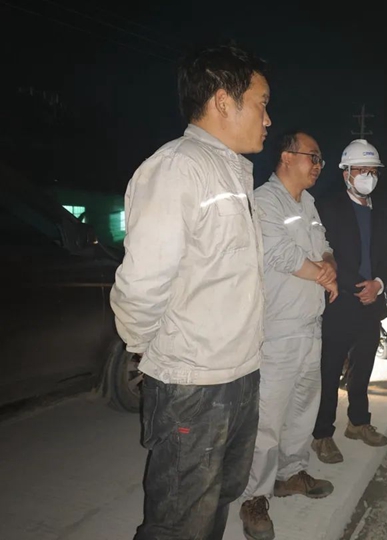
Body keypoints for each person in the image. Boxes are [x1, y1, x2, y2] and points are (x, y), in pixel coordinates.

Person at [110, 43, 271, 540]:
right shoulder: (177, 168)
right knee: (181, 520)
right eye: (262, 104)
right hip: (193, 384)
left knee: (218, 498)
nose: (268, 119)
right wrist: (149, 350)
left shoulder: (233, 173)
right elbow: (141, 284)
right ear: (224, 101)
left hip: (239, 373)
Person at [239, 131, 338, 540]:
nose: (318, 165)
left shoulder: (308, 203)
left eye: (320, 159)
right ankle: (254, 497)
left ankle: (292, 473)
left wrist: (329, 264)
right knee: (267, 420)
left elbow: (324, 245)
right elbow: (279, 253)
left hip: (310, 324)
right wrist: (322, 274)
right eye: (312, 157)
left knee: (302, 408)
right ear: (286, 156)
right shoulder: (264, 201)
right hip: (278, 330)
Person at [311, 139, 387, 464]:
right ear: (345, 173)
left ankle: (358, 423)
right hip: (339, 302)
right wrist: (358, 286)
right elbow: (325, 253)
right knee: (329, 371)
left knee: (363, 369)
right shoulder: (328, 208)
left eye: (372, 171)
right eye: (361, 170)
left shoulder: (380, 212)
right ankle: (322, 434)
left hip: (371, 303)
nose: (367, 177)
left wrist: (378, 284)